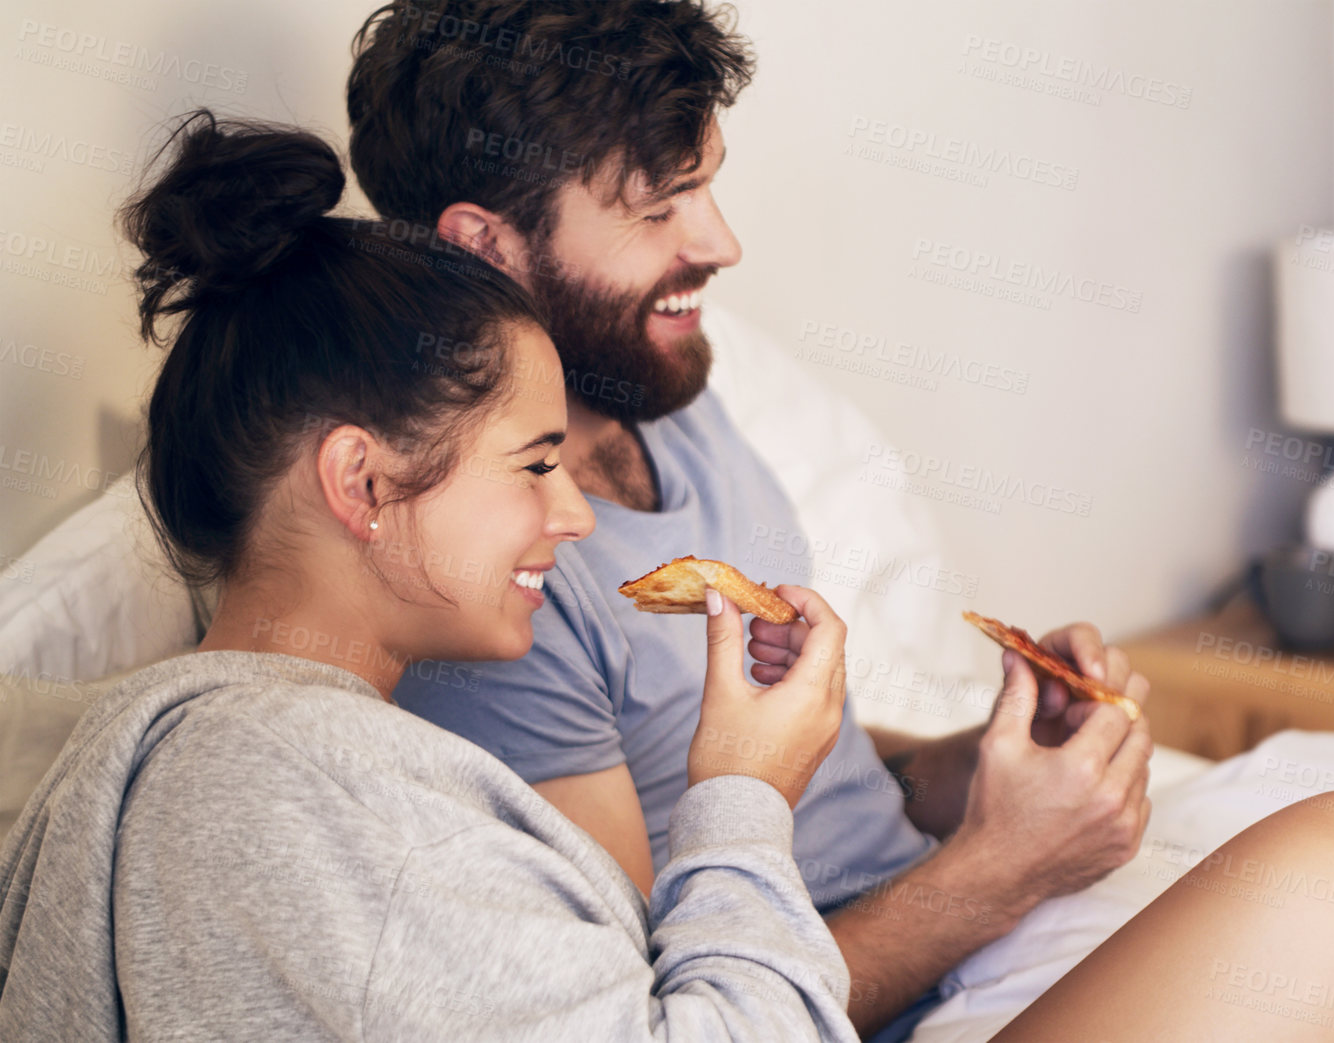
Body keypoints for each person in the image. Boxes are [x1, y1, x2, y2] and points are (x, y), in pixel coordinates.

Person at [347, 3, 1153, 1033]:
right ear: (486, 244)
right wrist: (1005, 867)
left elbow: (808, 796)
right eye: (658, 208)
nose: (721, 243)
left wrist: (993, 764)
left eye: (707, 185)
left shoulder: (663, 390)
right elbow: (663, 1010)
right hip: (873, 1005)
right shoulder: (498, 580)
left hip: (979, 943)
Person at [0, 114, 859, 1040]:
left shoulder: (293, 763)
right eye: (535, 465)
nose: (572, 513)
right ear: (361, 481)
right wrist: (744, 793)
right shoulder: (291, 788)